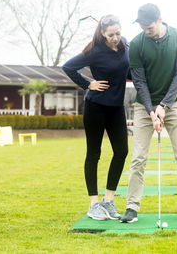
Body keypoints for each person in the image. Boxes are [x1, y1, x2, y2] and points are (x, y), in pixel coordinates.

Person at [121, 4, 177, 223]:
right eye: (142, 26)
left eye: (148, 26)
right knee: (138, 158)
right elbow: (138, 80)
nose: (145, 30)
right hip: (143, 107)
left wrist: (164, 106)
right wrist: (150, 110)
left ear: (159, 19)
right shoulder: (137, 44)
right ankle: (132, 207)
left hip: (174, 104)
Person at [62, 15, 130, 221]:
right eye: (111, 35)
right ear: (102, 33)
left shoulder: (125, 45)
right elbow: (68, 67)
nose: (116, 37)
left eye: (118, 33)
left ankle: (108, 200)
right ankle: (93, 204)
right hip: (96, 106)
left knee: (122, 151)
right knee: (94, 154)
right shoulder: (94, 50)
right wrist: (87, 84)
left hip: (116, 107)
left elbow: (129, 71)